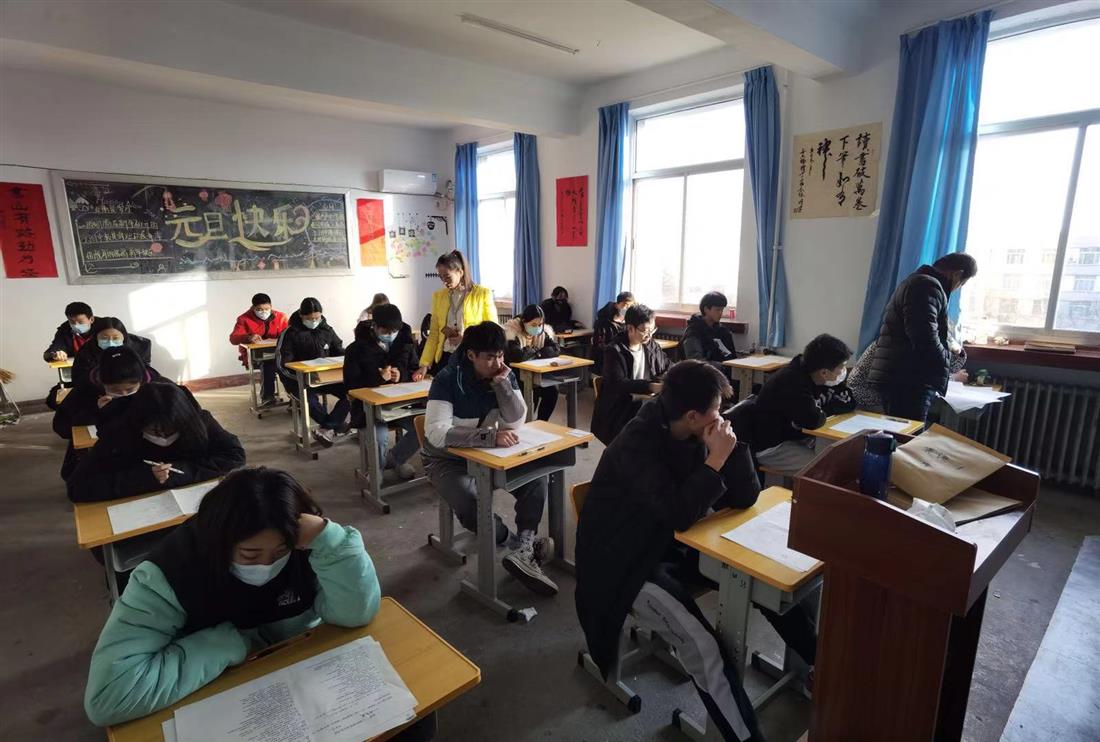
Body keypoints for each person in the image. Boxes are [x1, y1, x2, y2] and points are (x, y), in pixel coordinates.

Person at [577, 361, 814, 742]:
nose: (721, 417)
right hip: (623, 562)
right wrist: (715, 460)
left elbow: (746, 497)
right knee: (704, 647)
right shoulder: (636, 443)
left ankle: (817, 665)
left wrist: (729, 450)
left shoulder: (691, 432)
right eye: (716, 411)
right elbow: (678, 514)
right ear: (691, 415)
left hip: (670, 545)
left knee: (764, 577)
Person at [83, 467, 382, 727]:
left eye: (280, 552)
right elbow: (109, 696)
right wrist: (232, 643)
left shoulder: (310, 546)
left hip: (293, 676)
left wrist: (332, 540)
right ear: (219, 542)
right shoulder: (168, 573)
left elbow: (355, 614)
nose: (266, 564)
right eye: (250, 555)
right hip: (212, 690)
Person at [422, 321, 556, 595]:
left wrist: (503, 387)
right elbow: (436, 433)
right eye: (490, 357)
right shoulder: (447, 379)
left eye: (501, 355)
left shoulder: (503, 374)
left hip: (485, 454)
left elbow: (516, 422)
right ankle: (514, 544)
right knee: (472, 506)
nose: (498, 363)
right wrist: (488, 437)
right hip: (446, 460)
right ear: (471, 355)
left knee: (535, 478)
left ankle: (526, 545)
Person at [67, 381, 245, 503]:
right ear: (138, 423)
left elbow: (235, 455)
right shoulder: (120, 432)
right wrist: (146, 477)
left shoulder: (200, 421)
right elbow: (78, 487)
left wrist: (180, 472)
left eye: (171, 430)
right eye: (153, 430)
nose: (163, 436)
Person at [867, 253, 978, 423]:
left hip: (903, 376)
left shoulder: (920, 283)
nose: (957, 288)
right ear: (957, 274)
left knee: (900, 431)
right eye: (961, 283)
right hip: (908, 380)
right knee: (906, 434)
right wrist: (945, 363)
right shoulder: (926, 286)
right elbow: (926, 338)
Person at [752, 334, 856, 476]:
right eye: (842, 367)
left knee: (843, 457)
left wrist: (824, 409)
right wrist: (827, 408)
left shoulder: (814, 373)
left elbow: (849, 402)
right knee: (828, 472)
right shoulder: (793, 382)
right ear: (824, 372)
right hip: (773, 448)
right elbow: (813, 420)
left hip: (796, 437)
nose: (843, 371)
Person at [54, 346, 162, 477]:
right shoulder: (88, 385)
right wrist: (97, 412)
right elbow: (61, 425)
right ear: (102, 382)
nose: (124, 394)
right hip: (104, 448)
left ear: (141, 381)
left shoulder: (156, 384)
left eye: (130, 389)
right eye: (115, 390)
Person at [344, 303, 421, 481]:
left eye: (394, 331)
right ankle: (377, 472)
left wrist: (401, 375)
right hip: (368, 409)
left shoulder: (405, 343)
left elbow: (414, 369)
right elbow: (350, 385)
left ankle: (393, 460)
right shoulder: (356, 349)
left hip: (401, 405)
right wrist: (378, 378)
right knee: (379, 436)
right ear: (374, 327)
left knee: (422, 427)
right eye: (385, 332)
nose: (390, 335)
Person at [591, 304, 671, 445]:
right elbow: (618, 384)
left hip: (647, 403)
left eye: (652, 330)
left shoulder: (651, 345)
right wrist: (651, 387)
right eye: (645, 331)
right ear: (630, 328)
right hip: (621, 408)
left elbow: (667, 366)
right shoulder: (614, 350)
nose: (649, 335)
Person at [276, 297, 349, 447]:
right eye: (309, 319)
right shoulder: (289, 333)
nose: (314, 321)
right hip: (297, 380)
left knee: (352, 393)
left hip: (324, 377)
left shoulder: (326, 329)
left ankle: (327, 428)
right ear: (301, 316)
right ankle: (335, 426)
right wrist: (300, 377)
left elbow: (339, 349)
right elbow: (282, 364)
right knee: (309, 400)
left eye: (317, 318)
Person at [415, 251, 497, 378]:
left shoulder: (482, 294)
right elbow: (434, 334)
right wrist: (424, 365)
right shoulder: (438, 296)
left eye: (447, 277)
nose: (444, 282)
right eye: (441, 277)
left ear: (460, 272)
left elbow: (492, 332)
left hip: (471, 358)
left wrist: (466, 339)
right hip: (445, 357)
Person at [849, 337, 968, 412]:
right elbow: (921, 376)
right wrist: (953, 378)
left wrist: (958, 351)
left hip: (878, 392)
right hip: (865, 394)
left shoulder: (914, 343)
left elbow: (947, 366)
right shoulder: (898, 345)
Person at [229, 293, 289, 408]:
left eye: (267, 309)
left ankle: (294, 396)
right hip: (255, 356)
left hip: (279, 353)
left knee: (288, 364)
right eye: (259, 309)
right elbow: (233, 338)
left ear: (271, 306)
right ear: (253, 308)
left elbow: (290, 333)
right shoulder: (244, 319)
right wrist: (248, 337)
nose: (264, 312)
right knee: (269, 363)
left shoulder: (281, 317)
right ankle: (267, 397)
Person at [504, 304, 561, 422]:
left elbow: (556, 349)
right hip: (515, 376)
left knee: (552, 392)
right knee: (530, 397)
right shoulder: (512, 332)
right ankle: (524, 424)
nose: (538, 328)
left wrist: (535, 353)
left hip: (534, 375)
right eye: (534, 325)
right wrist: (538, 351)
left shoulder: (542, 333)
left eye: (540, 324)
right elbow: (517, 356)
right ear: (524, 322)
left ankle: (541, 422)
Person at [71, 317, 153, 396]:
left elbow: (144, 373)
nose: (110, 341)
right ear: (96, 337)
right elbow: (78, 379)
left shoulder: (137, 348)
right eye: (104, 338)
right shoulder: (86, 351)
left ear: (123, 337)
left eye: (115, 338)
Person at [683, 292, 738, 367]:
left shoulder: (723, 331)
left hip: (723, 370)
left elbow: (731, 357)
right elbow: (696, 362)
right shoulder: (693, 332)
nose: (721, 313)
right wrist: (723, 367)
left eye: (722, 310)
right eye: (717, 310)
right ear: (706, 309)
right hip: (704, 372)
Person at [592, 291, 634, 375]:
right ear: (617, 304)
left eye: (630, 306)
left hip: (623, 353)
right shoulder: (604, 320)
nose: (627, 308)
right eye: (625, 305)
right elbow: (600, 343)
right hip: (608, 354)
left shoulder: (628, 320)